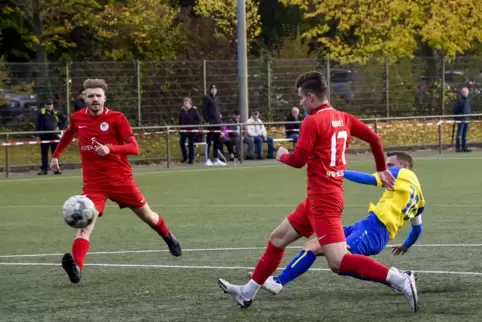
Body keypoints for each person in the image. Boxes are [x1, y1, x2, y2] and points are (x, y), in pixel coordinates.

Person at [218, 71, 419, 313]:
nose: (300, 102)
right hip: (317, 199)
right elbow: (374, 139)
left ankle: (399, 280)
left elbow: (297, 160)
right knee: (277, 239)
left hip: (325, 201)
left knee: (338, 261)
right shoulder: (343, 118)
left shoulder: (312, 122)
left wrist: (281, 154)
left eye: (301, 97)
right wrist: (381, 169)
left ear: (311, 97)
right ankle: (247, 292)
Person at [50, 78, 182, 284]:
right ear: (84, 97)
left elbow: (134, 147)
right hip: (94, 184)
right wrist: (56, 155)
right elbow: (68, 135)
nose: (94, 99)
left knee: (149, 217)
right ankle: (76, 267)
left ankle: (168, 236)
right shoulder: (77, 118)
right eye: (90, 96)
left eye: (98, 96)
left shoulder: (117, 118)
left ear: (105, 98)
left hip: (121, 180)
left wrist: (111, 148)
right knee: (85, 225)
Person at [255, 151, 424, 296]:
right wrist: (406, 245)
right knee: (313, 245)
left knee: (340, 263)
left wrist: (337, 172)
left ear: (405, 165)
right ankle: (278, 282)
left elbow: (369, 179)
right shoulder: (419, 198)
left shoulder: (403, 174)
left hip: (375, 230)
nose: (385, 168)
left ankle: (397, 279)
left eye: (390, 164)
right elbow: (417, 228)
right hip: (366, 226)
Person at [35, 99, 66, 175]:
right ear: (45, 105)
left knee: (55, 153)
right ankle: (44, 169)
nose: (49, 106)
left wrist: (60, 127)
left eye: (51, 104)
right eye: (48, 104)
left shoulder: (55, 112)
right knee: (44, 153)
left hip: (54, 135)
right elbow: (37, 124)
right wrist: (37, 135)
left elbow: (65, 119)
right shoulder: (41, 113)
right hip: (44, 135)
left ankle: (56, 169)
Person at [202, 84, 225, 166]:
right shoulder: (207, 98)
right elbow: (204, 109)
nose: (214, 90)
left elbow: (218, 109)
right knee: (209, 139)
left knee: (217, 140)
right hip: (211, 122)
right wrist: (206, 120)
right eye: (212, 89)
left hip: (217, 122)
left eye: (215, 89)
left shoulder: (217, 99)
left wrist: (220, 117)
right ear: (210, 90)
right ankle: (207, 159)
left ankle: (216, 159)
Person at [178, 97, 200, 164]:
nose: (185, 104)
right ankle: (185, 157)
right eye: (184, 102)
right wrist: (181, 128)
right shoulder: (182, 111)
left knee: (191, 144)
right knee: (182, 143)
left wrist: (195, 128)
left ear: (190, 103)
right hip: (183, 130)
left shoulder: (194, 110)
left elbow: (198, 120)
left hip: (192, 130)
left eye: (187, 103)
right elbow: (180, 120)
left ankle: (191, 159)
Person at [452, 87, 472, 152]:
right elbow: (455, 110)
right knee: (459, 134)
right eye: (463, 92)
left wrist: (469, 117)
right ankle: (458, 148)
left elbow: (469, 109)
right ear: (461, 93)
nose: (465, 93)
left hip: (467, 119)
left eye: (466, 92)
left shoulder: (469, 100)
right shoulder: (459, 101)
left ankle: (464, 147)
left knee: (465, 135)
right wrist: (456, 118)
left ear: (468, 92)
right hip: (460, 120)